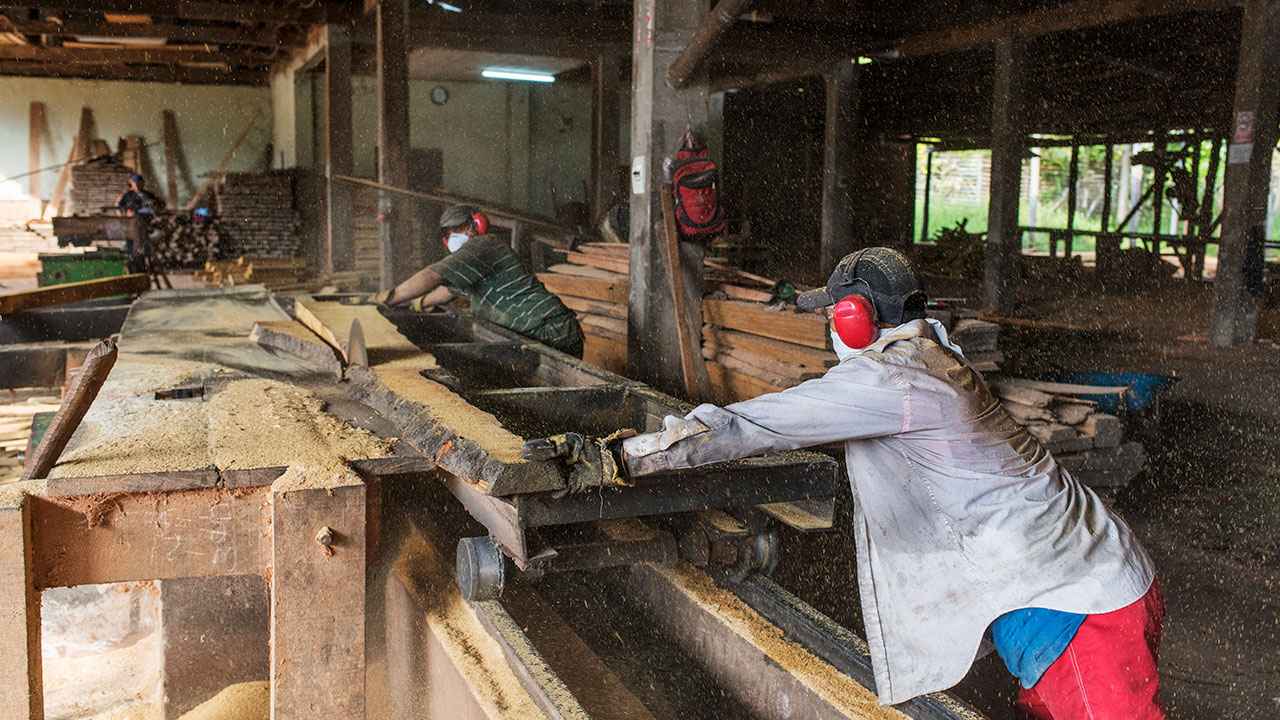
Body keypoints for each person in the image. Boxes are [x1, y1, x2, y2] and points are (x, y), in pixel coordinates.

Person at [526, 247, 1165, 719]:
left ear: (856, 317)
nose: (831, 327)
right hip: (1089, 578)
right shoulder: (935, 358)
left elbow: (747, 427)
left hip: (1076, 609)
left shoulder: (891, 381)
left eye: (835, 314)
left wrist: (619, 458)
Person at [376, 203, 585, 358]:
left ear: (476, 225)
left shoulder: (484, 245)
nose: (454, 237)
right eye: (449, 234)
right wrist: (419, 303)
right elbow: (449, 290)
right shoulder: (473, 264)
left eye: (459, 230)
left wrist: (387, 298)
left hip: (551, 329)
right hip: (537, 329)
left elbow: (432, 275)